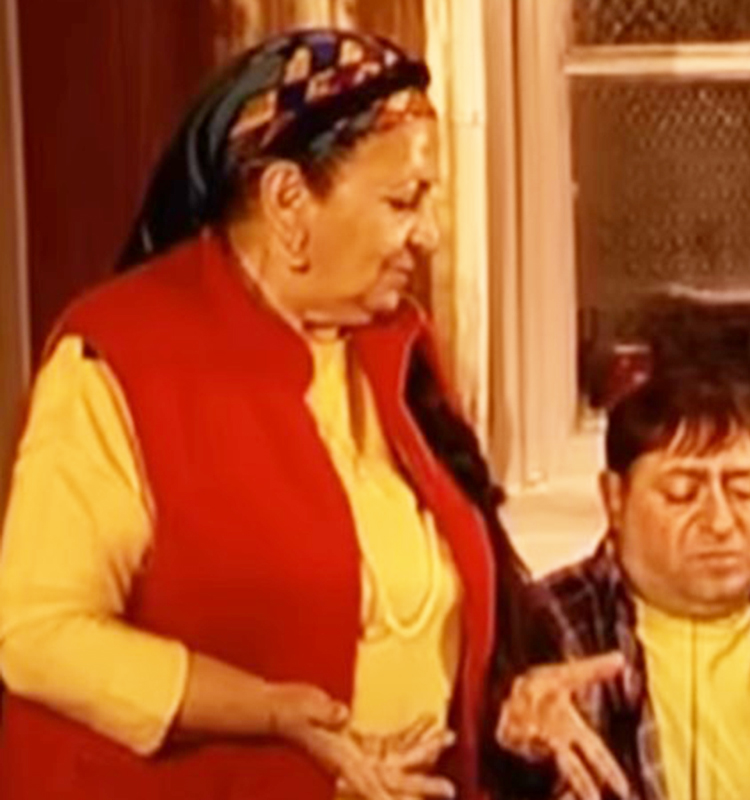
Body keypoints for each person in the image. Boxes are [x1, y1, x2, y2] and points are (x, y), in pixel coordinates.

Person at [0, 29, 535, 800]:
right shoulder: (121, 358)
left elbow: (424, 606)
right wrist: (269, 710)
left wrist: (507, 699)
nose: (429, 235)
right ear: (287, 200)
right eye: (403, 201)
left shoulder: (397, 348)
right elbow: (37, 635)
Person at [495, 372, 750, 800]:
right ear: (614, 498)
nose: (721, 521)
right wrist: (516, 751)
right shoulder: (535, 632)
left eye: (745, 490)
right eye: (683, 493)